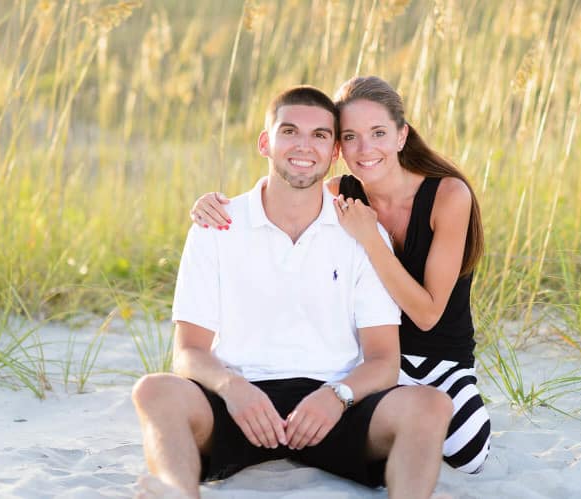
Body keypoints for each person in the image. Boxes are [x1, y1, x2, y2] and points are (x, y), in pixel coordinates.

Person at [131, 86, 453, 498]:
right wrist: (233, 388)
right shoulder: (216, 226)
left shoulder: (360, 231)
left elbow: (383, 359)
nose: (304, 146)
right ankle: (177, 493)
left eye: (319, 135)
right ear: (266, 142)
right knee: (154, 390)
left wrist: (337, 396)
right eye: (290, 131)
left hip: (335, 405)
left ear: (334, 151)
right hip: (240, 404)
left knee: (431, 404)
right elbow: (188, 352)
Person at [186, 76, 493, 474]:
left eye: (378, 133)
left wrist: (370, 239)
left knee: (466, 456)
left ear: (401, 136)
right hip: (372, 360)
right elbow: (282, 189)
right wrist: (211, 205)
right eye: (351, 136)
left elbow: (427, 314)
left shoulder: (449, 196)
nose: (365, 149)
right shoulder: (338, 191)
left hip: (437, 357)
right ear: (337, 148)